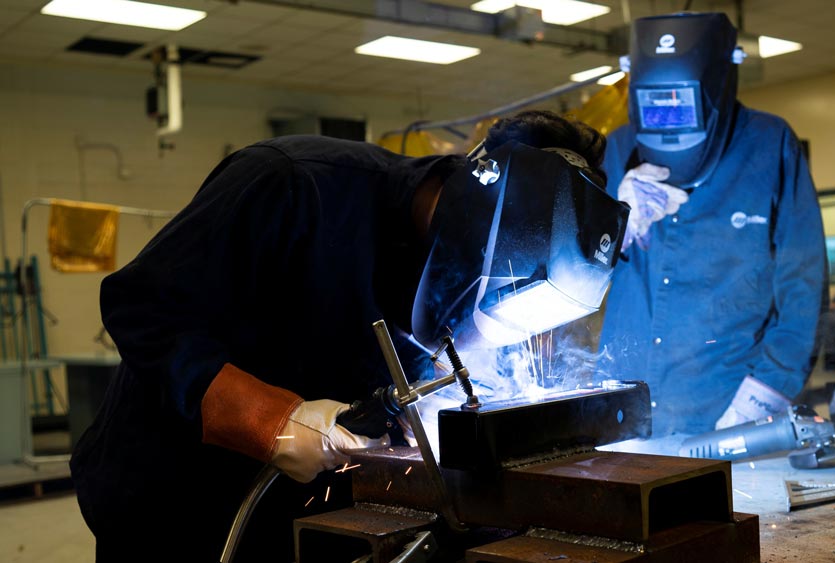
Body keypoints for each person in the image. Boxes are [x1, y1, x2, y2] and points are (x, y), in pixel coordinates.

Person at [70, 110, 612, 562]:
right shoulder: (292, 183)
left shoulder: (470, 266)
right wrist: (271, 421)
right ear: (476, 224)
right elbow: (141, 306)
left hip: (306, 521)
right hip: (169, 508)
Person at [598, 12, 828, 436]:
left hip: (726, 410)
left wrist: (762, 398)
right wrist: (613, 226)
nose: (670, 126)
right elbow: (574, 276)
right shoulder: (617, 149)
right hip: (621, 409)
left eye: (680, 106)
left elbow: (804, 286)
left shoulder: (769, 145)